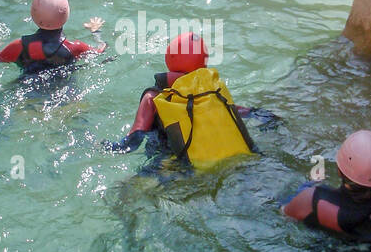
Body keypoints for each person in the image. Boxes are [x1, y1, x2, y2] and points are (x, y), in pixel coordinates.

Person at [108, 31, 277, 166]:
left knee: (125, 191)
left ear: (170, 58)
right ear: (204, 61)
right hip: (225, 154)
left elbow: (135, 138)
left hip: (173, 161)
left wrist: (109, 148)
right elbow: (242, 112)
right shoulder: (212, 90)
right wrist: (266, 116)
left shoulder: (154, 96)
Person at [0, 0, 106, 74]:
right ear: (66, 14)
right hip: (65, 93)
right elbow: (101, 50)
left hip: (28, 91)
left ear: (33, 14)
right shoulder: (75, 48)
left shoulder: (19, 46)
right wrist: (95, 32)